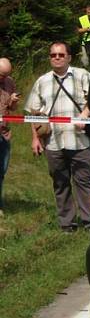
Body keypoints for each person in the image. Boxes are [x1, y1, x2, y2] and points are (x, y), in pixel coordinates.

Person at [25, 42, 90, 232]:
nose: (56, 58)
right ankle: (67, 225)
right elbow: (34, 113)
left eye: (61, 55)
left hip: (80, 140)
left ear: (69, 57)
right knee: (60, 184)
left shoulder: (83, 75)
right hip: (53, 142)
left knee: (84, 183)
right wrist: (35, 138)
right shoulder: (42, 81)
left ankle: (89, 223)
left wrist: (85, 115)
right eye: (53, 55)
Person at [0, 58, 21, 216]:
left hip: (4, 132)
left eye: (6, 75)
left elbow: (12, 108)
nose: (3, 79)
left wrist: (13, 101)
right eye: (1, 75)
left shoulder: (9, 82)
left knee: (2, 170)